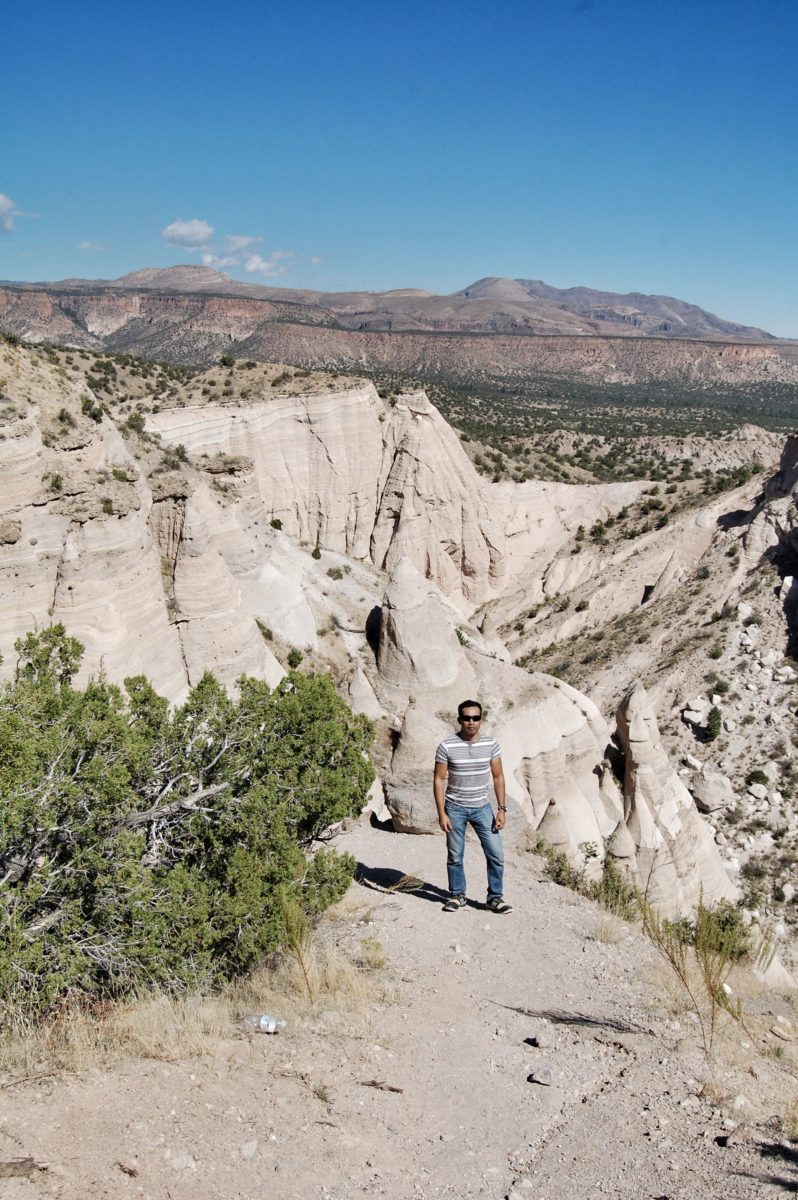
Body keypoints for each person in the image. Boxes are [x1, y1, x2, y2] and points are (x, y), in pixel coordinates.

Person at [433, 700, 512, 914]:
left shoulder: (491, 745)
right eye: (466, 718)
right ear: (459, 720)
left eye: (475, 718)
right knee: (455, 855)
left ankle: (494, 898)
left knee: (496, 854)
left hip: (482, 807)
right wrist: (441, 813)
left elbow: (498, 777)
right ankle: (457, 895)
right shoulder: (447, 746)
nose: (471, 722)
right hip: (455, 807)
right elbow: (439, 779)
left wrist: (502, 809)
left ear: (481, 720)